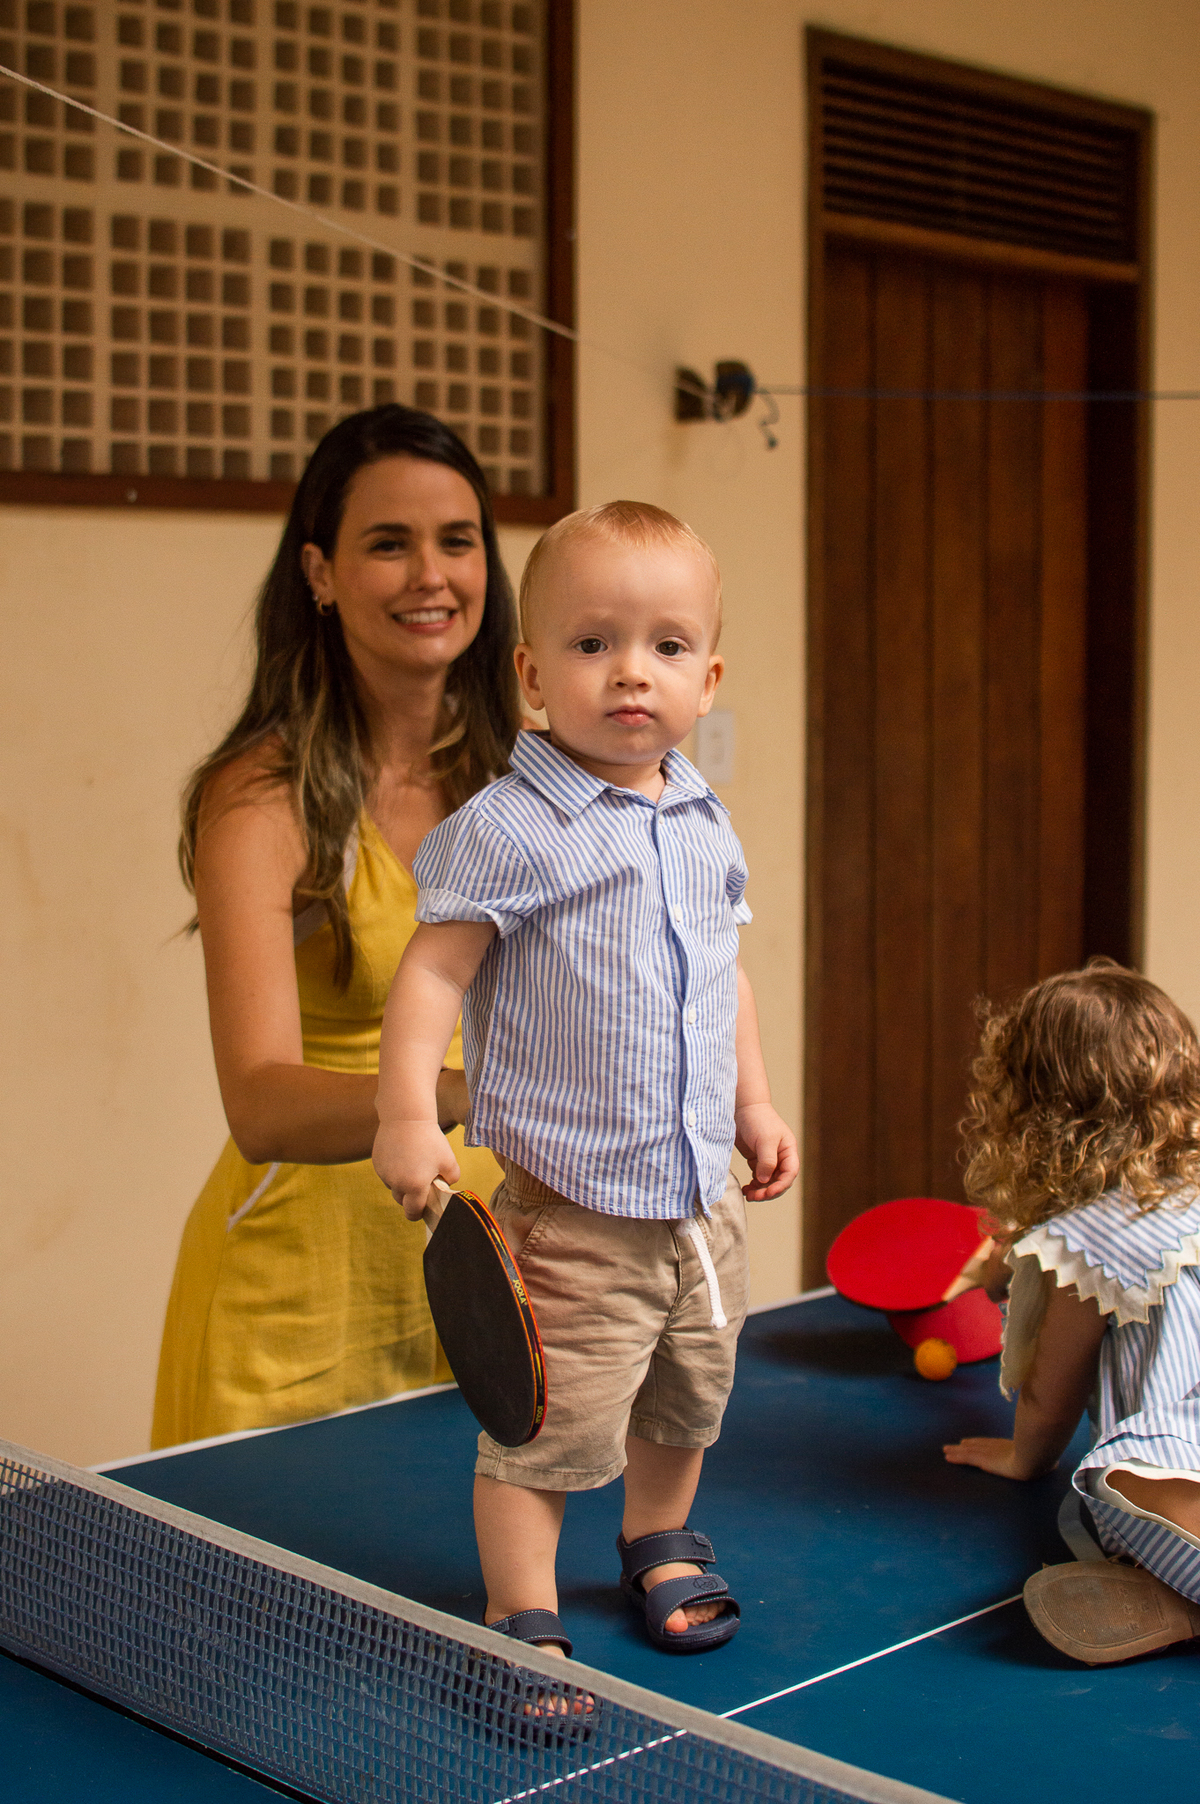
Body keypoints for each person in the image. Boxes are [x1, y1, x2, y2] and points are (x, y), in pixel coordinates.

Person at [372, 500, 798, 1672]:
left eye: (666, 647)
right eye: (593, 642)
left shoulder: (707, 824)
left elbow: (726, 981)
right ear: (530, 671)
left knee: (686, 1393)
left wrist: (752, 1104)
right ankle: (521, 1611)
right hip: (571, 1215)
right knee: (542, 1427)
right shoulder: (505, 830)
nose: (630, 674)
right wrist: (407, 1114)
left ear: (706, 679)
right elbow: (426, 985)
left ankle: (659, 1537)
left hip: (698, 1205)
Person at [151, 407, 519, 1449]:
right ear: (319, 572)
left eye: (457, 539)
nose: (431, 575)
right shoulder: (258, 798)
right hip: (291, 1307)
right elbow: (260, 1102)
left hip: (488, 1281)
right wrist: (460, 1092)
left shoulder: (523, 780)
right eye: (388, 544)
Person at [944, 959, 1200, 1664]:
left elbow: (1053, 1391)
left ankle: (1184, 1593)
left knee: (1120, 1477)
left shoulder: (1085, 1240)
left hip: (1183, 1448)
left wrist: (1027, 1456)